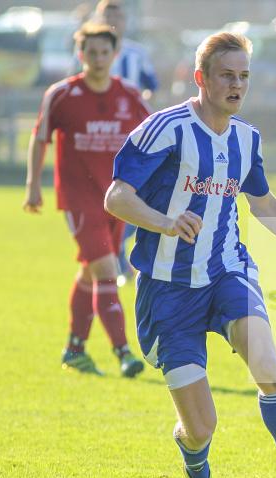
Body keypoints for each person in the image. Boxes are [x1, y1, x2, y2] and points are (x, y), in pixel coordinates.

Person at [104, 32, 276, 478]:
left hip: (227, 272)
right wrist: (163, 222)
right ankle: (198, 475)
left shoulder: (247, 139)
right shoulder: (165, 129)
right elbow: (116, 196)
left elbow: (264, 203)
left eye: (244, 76)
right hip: (166, 289)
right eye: (226, 75)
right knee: (201, 427)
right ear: (200, 78)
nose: (236, 84)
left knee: (268, 365)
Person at [24, 22, 149, 377]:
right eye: (90, 52)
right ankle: (123, 352)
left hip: (118, 200)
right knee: (108, 271)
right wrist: (34, 184)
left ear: (114, 55)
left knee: (89, 273)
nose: (97, 58)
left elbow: (153, 137)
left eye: (103, 52)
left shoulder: (129, 95)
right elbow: (40, 138)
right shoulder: (62, 94)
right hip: (79, 201)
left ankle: (75, 349)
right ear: (80, 55)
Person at [89, 0, 160, 286]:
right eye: (108, 14)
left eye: (117, 14)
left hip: (130, 140)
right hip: (96, 140)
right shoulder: (86, 52)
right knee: (101, 200)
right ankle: (109, 257)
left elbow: (150, 88)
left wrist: (135, 110)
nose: (113, 19)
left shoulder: (136, 53)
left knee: (135, 195)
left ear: (126, 20)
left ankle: (118, 251)